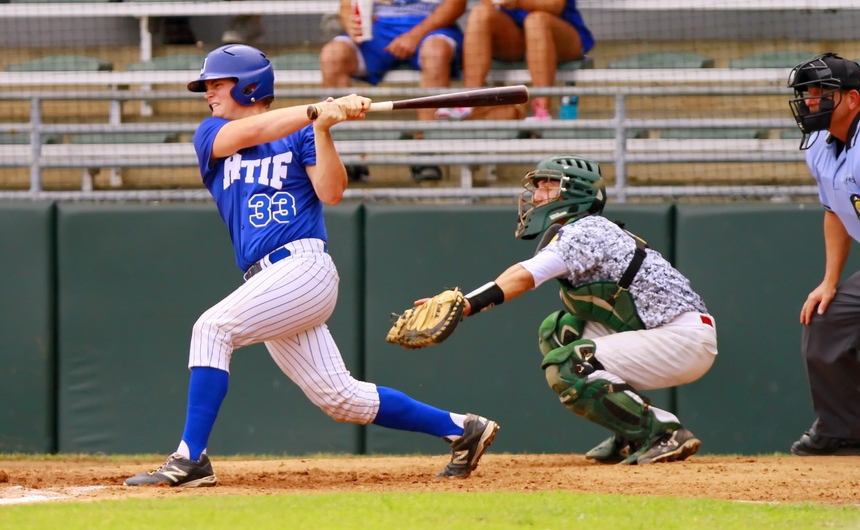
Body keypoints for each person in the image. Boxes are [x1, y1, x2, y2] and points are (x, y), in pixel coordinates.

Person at [123, 44, 500, 487]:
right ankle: (463, 428)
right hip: (266, 281)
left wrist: (323, 128)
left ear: (249, 86)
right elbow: (256, 129)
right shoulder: (210, 134)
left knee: (213, 328)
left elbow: (332, 192)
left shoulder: (302, 132)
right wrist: (318, 108)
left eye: (217, 83)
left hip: (303, 268)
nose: (208, 92)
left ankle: (191, 458)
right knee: (340, 398)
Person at [411, 155, 717, 464]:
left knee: (567, 364)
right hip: (661, 333)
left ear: (576, 193)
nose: (538, 194)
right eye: (538, 186)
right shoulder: (581, 229)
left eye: (549, 185)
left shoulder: (586, 231)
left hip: (682, 339)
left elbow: (526, 275)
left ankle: (663, 432)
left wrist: (467, 305)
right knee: (559, 330)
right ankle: (631, 433)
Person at [786, 52, 860, 456]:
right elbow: (835, 211)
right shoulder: (818, 144)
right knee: (825, 319)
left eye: (821, 92)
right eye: (807, 92)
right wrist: (829, 281)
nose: (811, 100)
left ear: (853, 99)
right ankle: (843, 429)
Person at [319, 0, 467, 182]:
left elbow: (456, 5)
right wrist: (348, 19)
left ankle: (427, 151)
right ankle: (344, 154)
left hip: (431, 27)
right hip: (378, 29)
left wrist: (414, 35)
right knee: (333, 55)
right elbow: (347, 5)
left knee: (435, 53)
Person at [436, 0, 593, 121]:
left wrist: (518, 2)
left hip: (561, 33)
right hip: (517, 37)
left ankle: (543, 110)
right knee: (480, 13)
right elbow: (488, 3)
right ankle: (468, 101)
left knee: (536, 21)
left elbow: (554, 5)